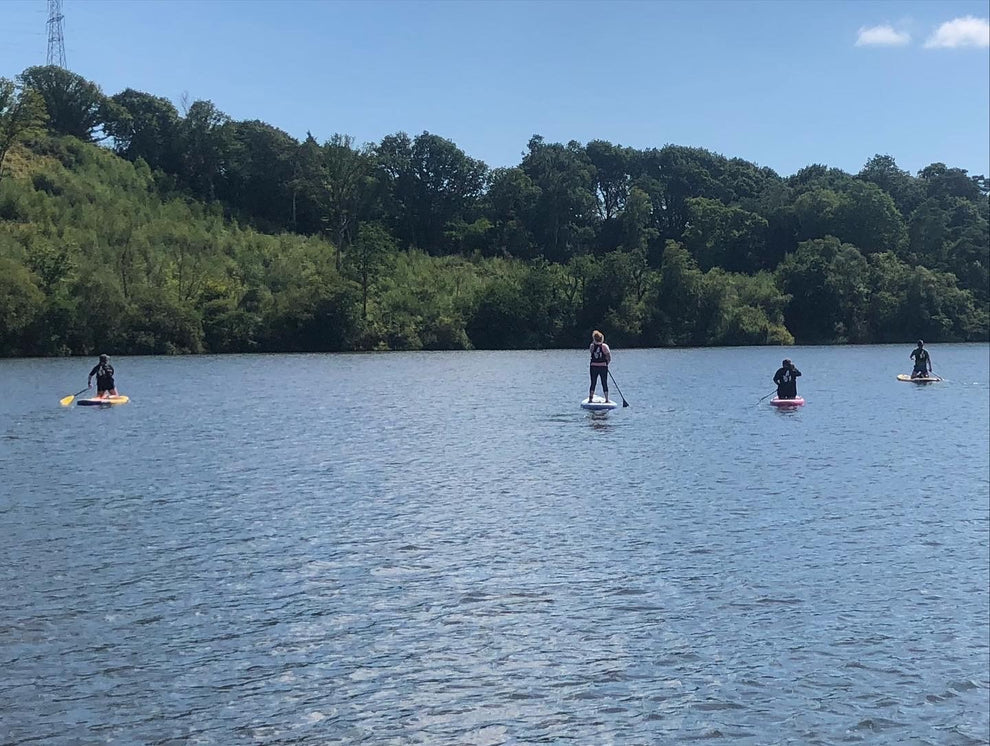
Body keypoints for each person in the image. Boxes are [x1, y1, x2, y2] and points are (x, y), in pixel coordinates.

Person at [588, 330, 612, 402]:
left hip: (593, 367)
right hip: (603, 367)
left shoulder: (592, 346)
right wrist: (606, 364)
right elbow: (609, 357)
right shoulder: (605, 346)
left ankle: (590, 398)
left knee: (593, 382)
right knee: (604, 382)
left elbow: (591, 352)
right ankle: (607, 399)